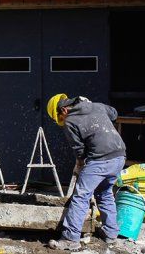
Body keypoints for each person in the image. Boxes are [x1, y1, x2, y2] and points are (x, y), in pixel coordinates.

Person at [46, 93, 127, 250]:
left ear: (63, 109)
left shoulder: (70, 121)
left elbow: (79, 150)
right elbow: (114, 113)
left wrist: (80, 165)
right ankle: (111, 234)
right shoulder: (96, 106)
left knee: (81, 196)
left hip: (100, 159)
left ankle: (70, 238)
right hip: (119, 156)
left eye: (60, 117)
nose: (62, 121)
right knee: (105, 193)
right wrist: (95, 107)